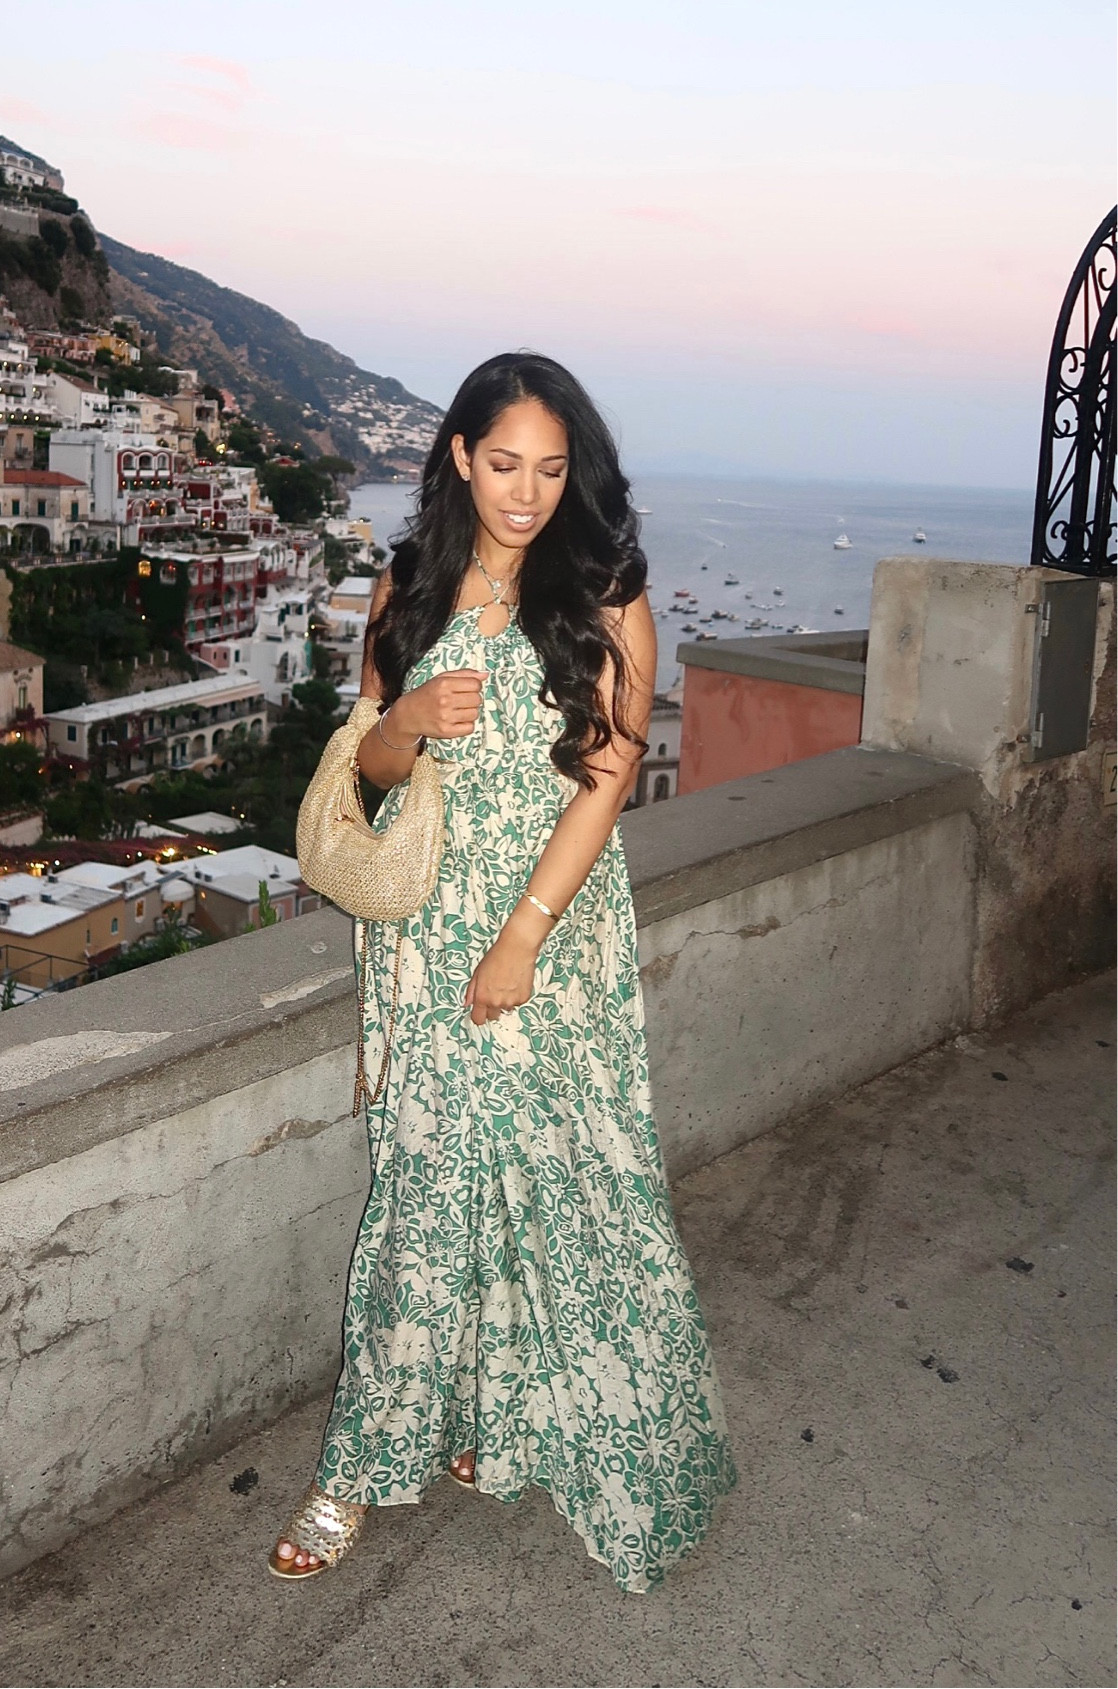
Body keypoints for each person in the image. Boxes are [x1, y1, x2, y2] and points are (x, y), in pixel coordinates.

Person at [269, 351, 738, 1593]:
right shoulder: (408, 582)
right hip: (423, 934)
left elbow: (609, 777)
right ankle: (361, 1466)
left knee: (568, 1186)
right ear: (459, 460)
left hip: (551, 932)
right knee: (425, 1195)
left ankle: (518, 1421)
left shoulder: (606, 590)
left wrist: (524, 936)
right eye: (501, 464)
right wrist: (406, 722)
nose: (525, 493)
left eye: (550, 466)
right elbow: (359, 769)